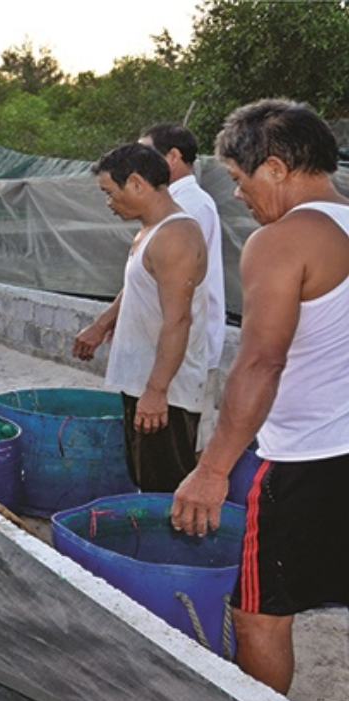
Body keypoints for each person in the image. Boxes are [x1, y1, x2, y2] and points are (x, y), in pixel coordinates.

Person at [171, 99, 349, 701]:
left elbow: (260, 362)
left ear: (274, 167)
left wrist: (213, 468)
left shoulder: (283, 241)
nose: (241, 197)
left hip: (308, 458)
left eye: (242, 181)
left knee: (260, 611)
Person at [73, 143, 208, 492]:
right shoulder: (150, 230)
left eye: (109, 192)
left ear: (135, 182)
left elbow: (178, 320)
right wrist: (102, 323)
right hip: (144, 380)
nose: (108, 203)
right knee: (144, 478)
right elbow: (137, 288)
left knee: (165, 485)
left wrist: (156, 390)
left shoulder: (176, 235)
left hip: (167, 390)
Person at [140, 123, 227, 454]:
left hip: (191, 344)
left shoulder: (190, 206)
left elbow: (179, 297)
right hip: (176, 341)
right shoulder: (172, 203)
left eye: (148, 155)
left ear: (173, 157)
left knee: (188, 442)